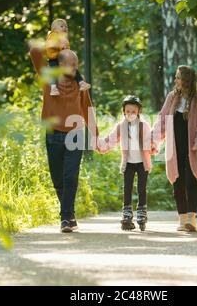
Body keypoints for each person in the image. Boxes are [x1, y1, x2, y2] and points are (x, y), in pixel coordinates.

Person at [29, 47, 98, 233]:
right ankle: (70, 213)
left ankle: (65, 217)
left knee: (70, 176)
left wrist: (95, 135)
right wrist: (53, 43)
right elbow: (35, 53)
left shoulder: (79, 84)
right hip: (53, 133)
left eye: (77, 64)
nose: (75, 67)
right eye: (71, 64)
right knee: (57, 178)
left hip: (76, 133)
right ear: (59, 65)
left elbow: (87, 107)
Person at [151, 65, 197, 232]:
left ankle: (192, 220)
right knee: (177, 180)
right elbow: (162, 119)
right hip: (174, 146)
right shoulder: (172, 98)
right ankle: (182, 218)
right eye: (176, 77)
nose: (175, 80)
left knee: (191, 179)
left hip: (193, 147)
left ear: (186, 80)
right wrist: (153, 140)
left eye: (178, 77)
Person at [96, 95, 155, 231]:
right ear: (124, 112)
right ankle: (127, 213)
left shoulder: (144, 126)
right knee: (127, 188)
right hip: (128, 163)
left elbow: (150, 140)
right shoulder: (121, 126)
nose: (130, 114)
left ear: (139, 112)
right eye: (127, 111)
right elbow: (111, 139)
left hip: (142, 163)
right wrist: (100, 145)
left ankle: (141, 212)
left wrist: (153, 146)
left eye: (133, 111)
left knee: (141, 188)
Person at [44, 18, 91, 96]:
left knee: (73, 68)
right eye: (62, 26)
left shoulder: (64, 38)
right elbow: (50, 45)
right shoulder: (53, 35)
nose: (65, 28)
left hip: (62, 60)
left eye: (66, 27)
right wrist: (59, 45)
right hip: (54, 59)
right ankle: (53, 88)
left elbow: (66, 49)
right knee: (54, 71)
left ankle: (81, 82)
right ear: (54, 29)